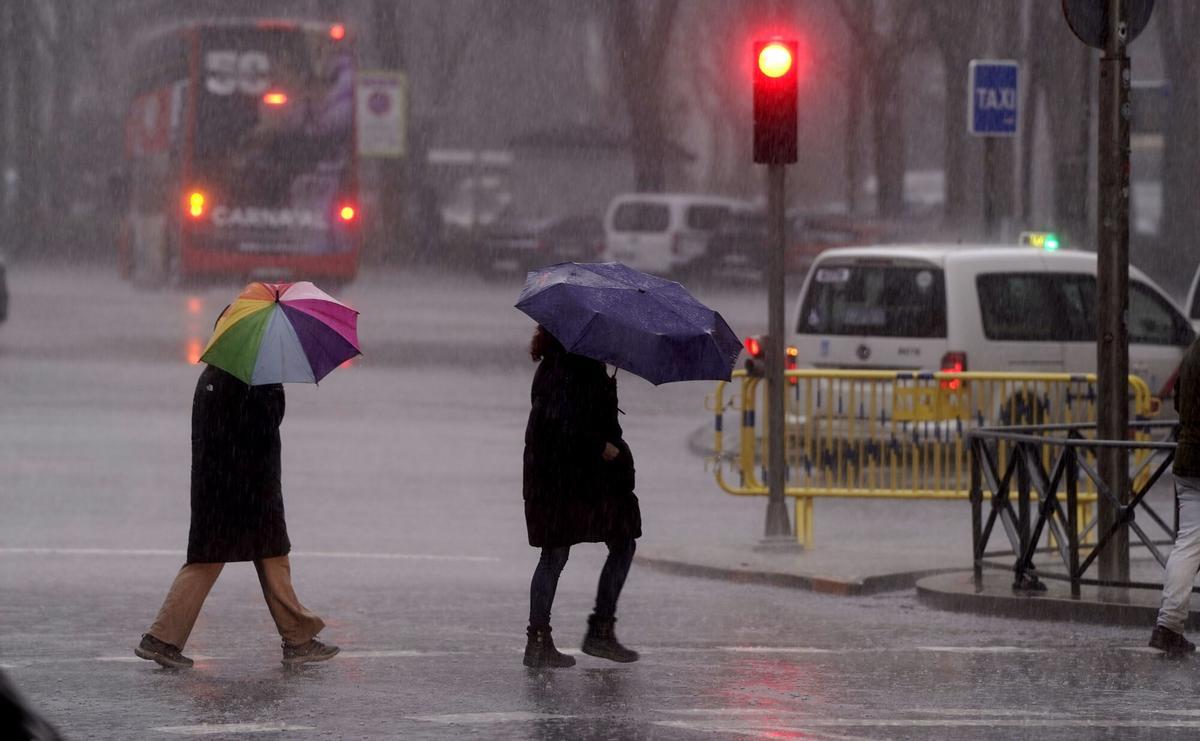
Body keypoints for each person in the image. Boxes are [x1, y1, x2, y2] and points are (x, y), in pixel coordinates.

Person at [135, 359, 338, 669]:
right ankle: (162, 639)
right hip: (248, 488)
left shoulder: (214, 376)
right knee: (251, 557)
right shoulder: (251, 380)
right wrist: (275, 389)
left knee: (251, 557)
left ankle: (297, 637)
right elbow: (266, 423)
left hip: (220, 486)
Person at [522, 325, 641, 668]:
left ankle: (590, 632)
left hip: (579, 477)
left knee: (621, 541)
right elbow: (558, 423)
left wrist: (608, 384)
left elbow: (588, 418)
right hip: (563, 478)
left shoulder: (579, 365)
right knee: (555, 553)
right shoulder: (564, 368)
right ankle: (546, 639)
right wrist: (599, 445)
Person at [1151, 336, 1200, 654]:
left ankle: (1168, 625)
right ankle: (1167, 626)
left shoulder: (1193, 351)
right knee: (1192, 542)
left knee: (1189, 542)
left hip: (1188, 458)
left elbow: (1179, 400)